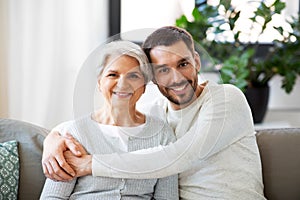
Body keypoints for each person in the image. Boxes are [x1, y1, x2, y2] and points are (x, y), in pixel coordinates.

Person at [42, 26, 266, 199]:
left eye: (183, 64)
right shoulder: (158, 114)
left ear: (197, 61)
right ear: (152, 77)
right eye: (163, 70)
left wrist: (89, 164)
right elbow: (91, 126)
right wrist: (53, 139)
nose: (176, 78)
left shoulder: (226, 98)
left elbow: (181, 156)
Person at [40, 40, 179, 199]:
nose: (122, 84)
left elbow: (167, 197)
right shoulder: (74, 135)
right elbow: (52, 197)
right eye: (113, 74)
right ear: (100, 82)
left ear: (144, 86)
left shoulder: (163, 135)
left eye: (133, 76)